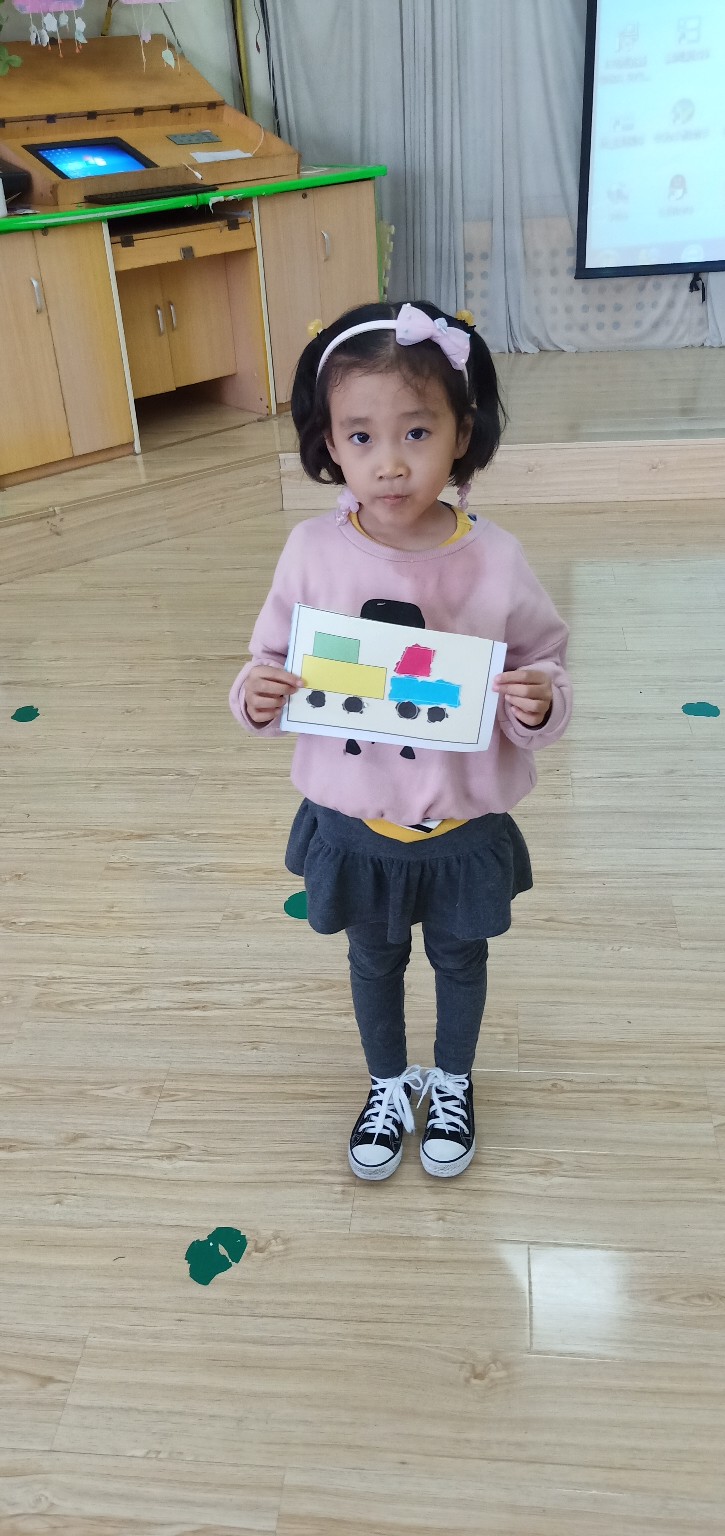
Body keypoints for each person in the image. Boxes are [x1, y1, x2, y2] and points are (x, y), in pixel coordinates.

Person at [229, 300, 572, 1183]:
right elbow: (268, 661)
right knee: (372, 959)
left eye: (417, 431)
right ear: (329, 444)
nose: (389, 462)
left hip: (461, 825)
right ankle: (388, 1082)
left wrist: (536, 701)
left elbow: (544, 659)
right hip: (355, 826)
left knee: (460, 957)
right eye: (361, 436)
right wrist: (256, 695)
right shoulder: (310, 551)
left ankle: (451, 1080)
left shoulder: (495, 557)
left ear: (462, 434)